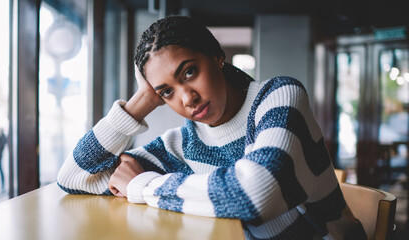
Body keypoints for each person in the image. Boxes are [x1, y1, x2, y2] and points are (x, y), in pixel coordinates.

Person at [57, 16, 366, 239]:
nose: (187, 98)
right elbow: (74, 176)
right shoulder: (182, 144)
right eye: (167, 91)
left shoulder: (279, 97)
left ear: (218, 56)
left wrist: (142, 185)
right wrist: (141, 102)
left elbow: (255, 193)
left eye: (189, 72)